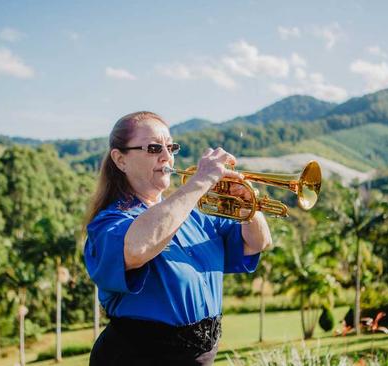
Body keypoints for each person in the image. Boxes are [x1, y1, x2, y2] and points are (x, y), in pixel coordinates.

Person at [83, 111, 272, 365]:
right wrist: (201, 181)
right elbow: (138, 247)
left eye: (170, 147)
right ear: (120, 160)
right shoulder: (110, 222)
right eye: (153, 148)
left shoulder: (197, 214)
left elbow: (257, 243)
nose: (166, 156)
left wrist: (247, 205)